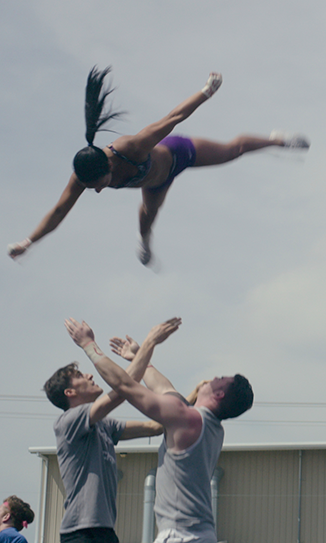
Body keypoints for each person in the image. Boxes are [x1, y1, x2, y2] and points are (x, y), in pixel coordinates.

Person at [8, 66, 310, 265]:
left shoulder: (131, 147)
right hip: (155, 183)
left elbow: (173, 117)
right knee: (149, 216)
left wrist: (205, 92)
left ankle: (277, 141)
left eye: (99, 185)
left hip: (179, 154)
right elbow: (59, 212)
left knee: (235, 150)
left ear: (107, 166)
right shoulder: (83, 177)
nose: (98, 191)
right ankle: (145, 240)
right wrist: (29, 242)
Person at [64, 318, 253, 543]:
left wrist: (88, 344)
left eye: (220, 380)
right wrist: (138, 357)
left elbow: (124, 385)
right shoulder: (205, 425)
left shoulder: (188, 419)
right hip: (199, 535)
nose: (214, 378)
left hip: (181, 536)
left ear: (219, 394)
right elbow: (165, 389)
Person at [43, 318, 179, 543]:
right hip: (80, 533)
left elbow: (155, 427)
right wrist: (148, 344)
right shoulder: (67, 422)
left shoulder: (104, 424)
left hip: (103, 531)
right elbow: (123, 388)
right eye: (79, 376)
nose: (89, 375)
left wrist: (194, 401)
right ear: (69, 393)